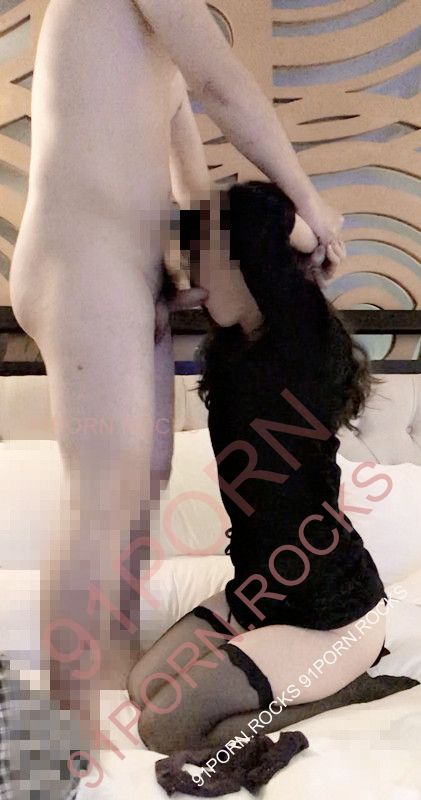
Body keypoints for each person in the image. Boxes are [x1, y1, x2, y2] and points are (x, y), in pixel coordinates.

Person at [8, 0, 345, 762]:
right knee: (104, 497)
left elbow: (189, 179)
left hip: (129, 273)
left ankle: (109, 677)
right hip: (83, 263)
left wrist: (219, 262)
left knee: (143, 482)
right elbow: (223, 85)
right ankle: (57, 741)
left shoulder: (158, 39)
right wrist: (312, 204)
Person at [127, 181, 390, 758]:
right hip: (257, 593)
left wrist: (313, 223)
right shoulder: (231, 357)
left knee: (165, 729)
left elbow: (251, 212)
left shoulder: (303, 346)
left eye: (205, 258)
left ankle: (352, 692)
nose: (194, 273)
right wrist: (161, 314)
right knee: (143, 688)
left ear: (252, 257)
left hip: (330, 614)